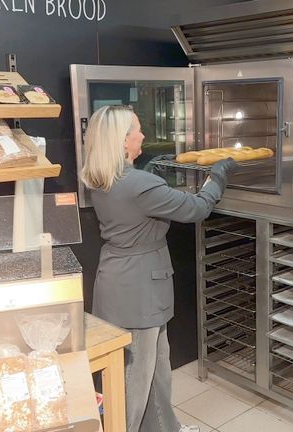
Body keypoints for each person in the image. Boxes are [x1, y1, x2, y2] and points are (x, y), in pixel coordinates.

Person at [81, 105, 237, 432]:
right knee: (133, 387)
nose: (144, 135)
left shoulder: (102, 178)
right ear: (123, 141)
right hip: (139, 292)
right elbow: (197, 208)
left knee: (156, 372)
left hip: (120, 282)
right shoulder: (138, 184)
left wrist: (149, 174)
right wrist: (217, 178)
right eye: (138, 129)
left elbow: (142, 202)